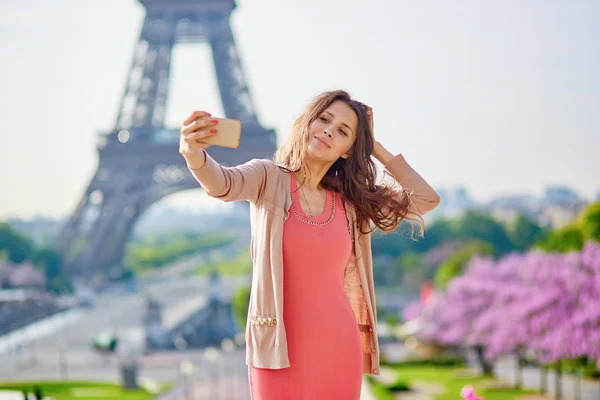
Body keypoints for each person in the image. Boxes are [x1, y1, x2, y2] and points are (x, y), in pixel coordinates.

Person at [179, 90, 440, 399]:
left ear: (348, 149)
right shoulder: (268, 177)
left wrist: (375, 147)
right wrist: (193, 153)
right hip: (278, 349)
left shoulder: (350, 203)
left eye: (343, 131)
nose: (329, 130)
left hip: (340, 346)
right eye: (324, 119)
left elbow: (426, 199)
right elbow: (222, 183)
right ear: (308, 123)